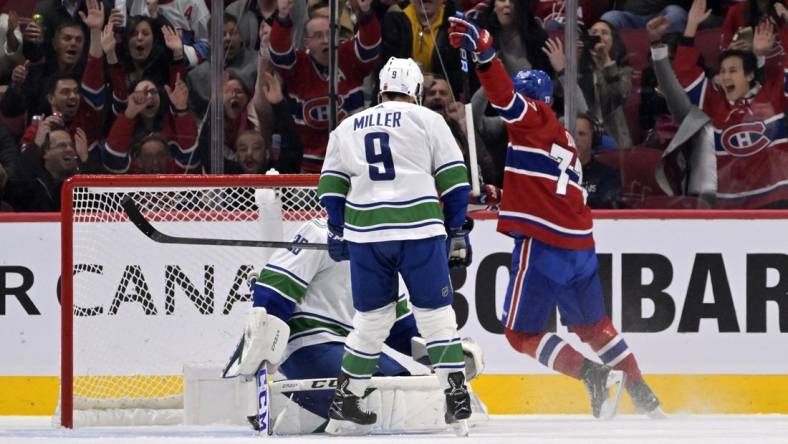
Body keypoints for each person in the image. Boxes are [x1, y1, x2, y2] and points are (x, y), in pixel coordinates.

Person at [447, 13, 663, 419]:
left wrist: (484, 52)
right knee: (594, 327)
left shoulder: (531, 119)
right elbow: (545, 191)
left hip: (545, 246)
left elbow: (503, 98)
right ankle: (642, 391)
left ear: (531, 100)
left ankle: (594, 378)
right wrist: (501, 197)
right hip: (578, 245)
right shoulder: (557, 137)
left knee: (520, 333)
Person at [316, 57, 473, 434]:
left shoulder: (347, 125)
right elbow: (455, 182)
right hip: (419, 229)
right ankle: (455, 396)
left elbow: (332, 189)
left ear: (380, 89)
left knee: (372, 320)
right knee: (436, 316)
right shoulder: (428, 120)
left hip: (367, 233)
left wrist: (337, 231)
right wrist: (456, 229)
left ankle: (347, 398)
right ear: (416, 91)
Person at [269, 0, 380, 173]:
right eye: (319, 36)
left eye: (330, 34)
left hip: (351, 161)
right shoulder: (299, 65)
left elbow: (370, 47)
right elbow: (279, 54)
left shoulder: (349, 57)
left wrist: (366, 13)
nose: (326, 40)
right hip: (307, 165)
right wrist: (282, 17)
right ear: (306, 42)